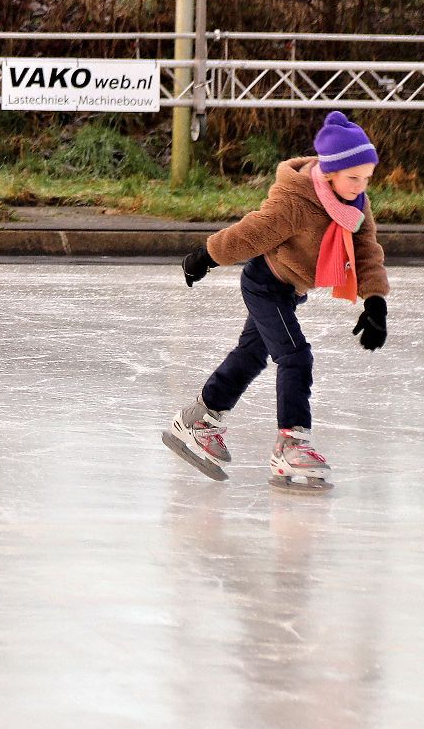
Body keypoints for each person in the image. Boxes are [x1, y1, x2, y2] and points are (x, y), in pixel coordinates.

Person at [166, 112, 391, 492]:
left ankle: (198, 419)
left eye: (367, 178)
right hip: (265, 283)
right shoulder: (297, 201)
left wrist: (375, 304)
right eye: (354, 177)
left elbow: (367, 250)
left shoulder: (355, 207)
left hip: (290, 290)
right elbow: (252, 232)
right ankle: (292, 444)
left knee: (251, 355)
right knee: (295, 356)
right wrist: (207, 256)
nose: (361, 186)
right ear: (331, 171)